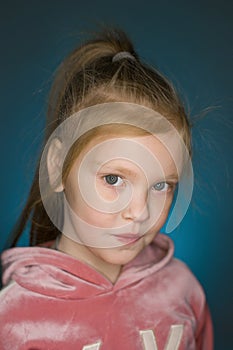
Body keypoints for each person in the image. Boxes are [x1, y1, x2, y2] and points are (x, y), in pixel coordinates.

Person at [0, 28, 213, 349]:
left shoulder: (184, 289)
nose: (140, 212)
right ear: (57, 164)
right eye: (113, 179)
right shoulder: (15, 318)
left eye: (161, 185)